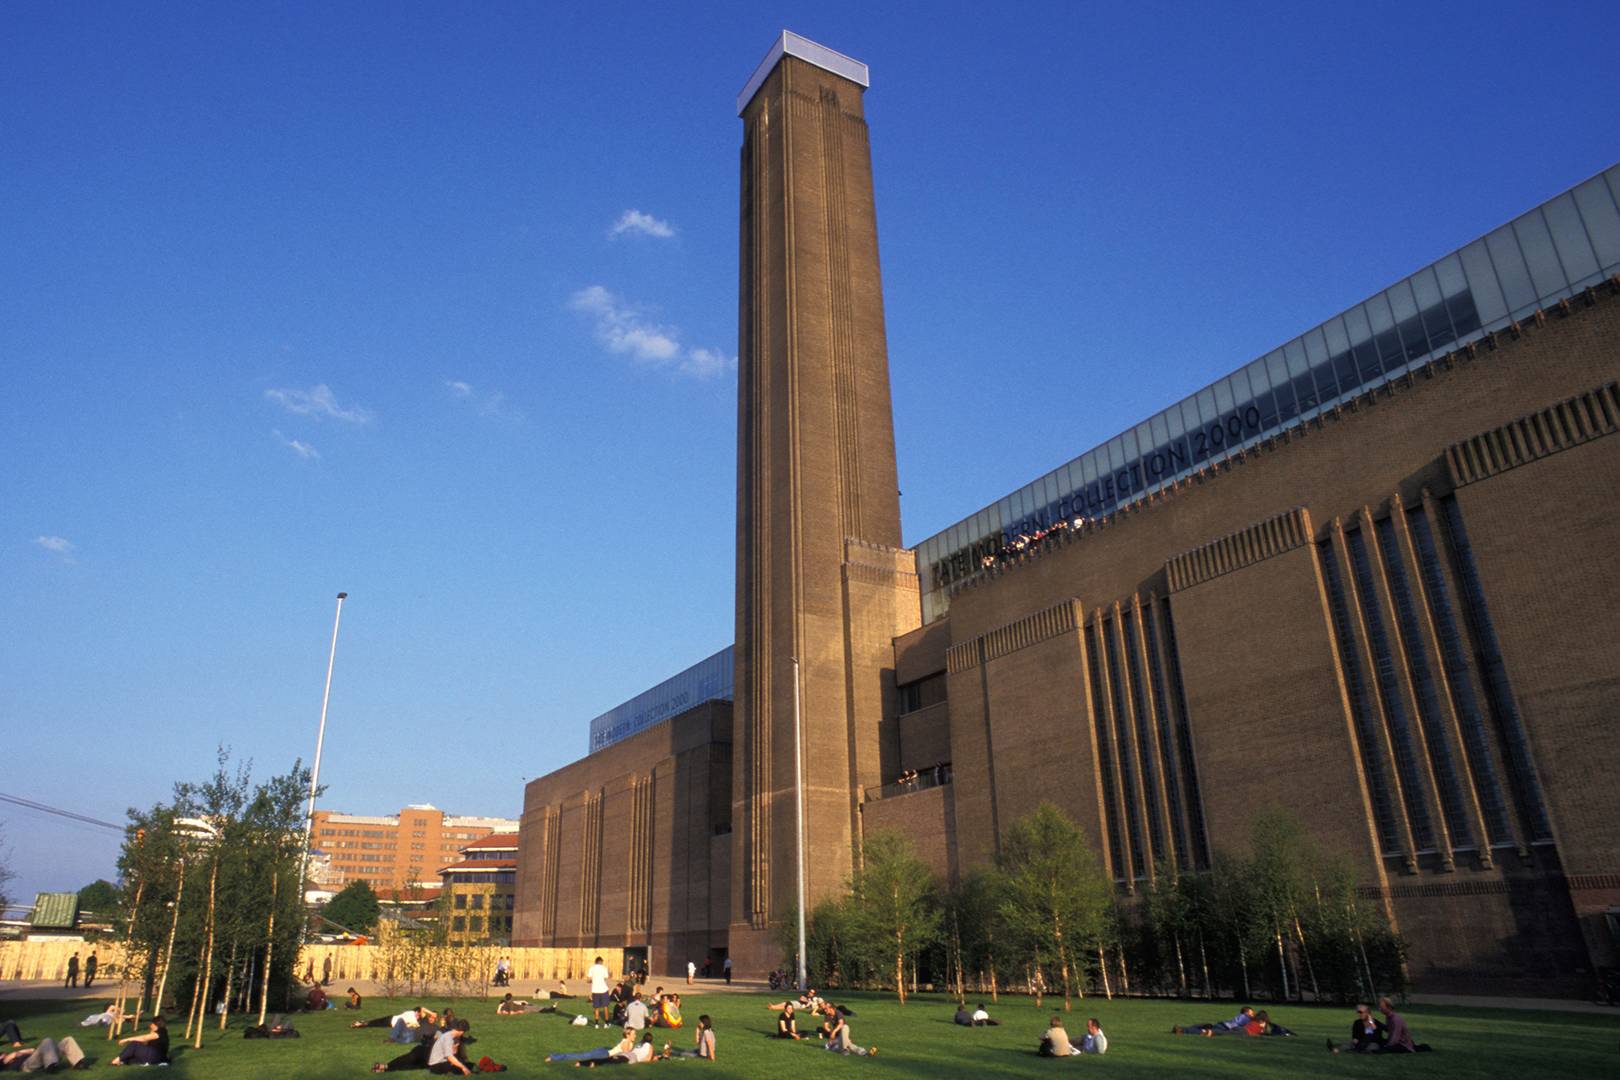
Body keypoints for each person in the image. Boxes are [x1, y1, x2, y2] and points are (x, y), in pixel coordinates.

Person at [545, 1027, 637, 1065]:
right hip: (604, 1054)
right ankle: (553, 1057)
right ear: (628, 1035)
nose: (635, 1036)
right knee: (580, 1055)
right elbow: (625, 1053)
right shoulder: (626, 1042)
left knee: (584, 1056)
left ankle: (582, 1064)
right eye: (633, 1034)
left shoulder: (630, 1042)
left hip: (604, 1054)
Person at [0, 1036, 85, 1071]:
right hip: (27, 1064)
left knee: (67, 1040)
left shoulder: (8, 1056)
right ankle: (50, 1066)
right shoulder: (4, 1062)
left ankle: (78, 1062)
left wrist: (21, 1052)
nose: (3, 1054)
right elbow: (14, 1055)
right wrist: (17, 1053)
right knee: (47, 1041)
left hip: (38, 1057)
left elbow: (32, 1050)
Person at [1172, 1006, 1254, 1036]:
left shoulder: (1240, 1016)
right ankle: (1182, 1030)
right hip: (1225, 1028)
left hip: (1222, 1024)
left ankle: (1182, 1028)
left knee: (1206, 1026)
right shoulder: (1245, 1017)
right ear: (1246, 1012)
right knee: (1204, 1032)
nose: (1253, 1014)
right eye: (1251, 1012)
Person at [587, 957, 613, 1029]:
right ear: (601, 962)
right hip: (603, 990)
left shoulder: (591, 968)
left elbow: (588, 980)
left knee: (596, 1007)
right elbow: (605, 978)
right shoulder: (604, 968)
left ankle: (596, 1024)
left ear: (595, 962)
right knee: (605, 1006)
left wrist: (593, 981)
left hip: (595, 990)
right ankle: (606, 1023)